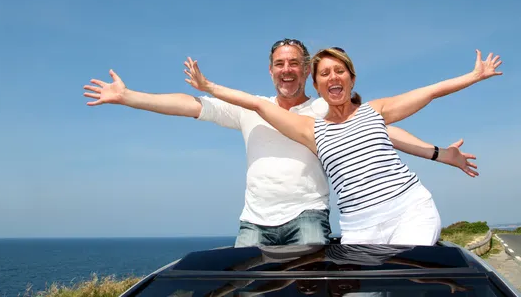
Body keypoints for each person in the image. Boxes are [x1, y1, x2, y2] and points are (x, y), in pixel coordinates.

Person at [83, 39, 478, 247]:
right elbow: (190, 105)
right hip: (253, 221)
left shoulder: (328, 106)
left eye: (295, 64)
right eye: (279, 64)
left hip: (308, 216)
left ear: (307, 70)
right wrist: (128, 96)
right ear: (271, 70)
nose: (287, 70)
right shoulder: (251, 109)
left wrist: (440, 154)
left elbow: (379, 132)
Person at [183, 47, 502, 245]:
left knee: (404, 280)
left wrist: (473, 77)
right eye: (324, 73)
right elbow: (256, 105)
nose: (333, 77)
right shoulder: (310, 128)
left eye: (340, 71)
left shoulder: (374, 110)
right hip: (359, 227)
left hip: (409, 210)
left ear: (351, 78)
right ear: (316, 82)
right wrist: (207, 86)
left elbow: (428, 93)